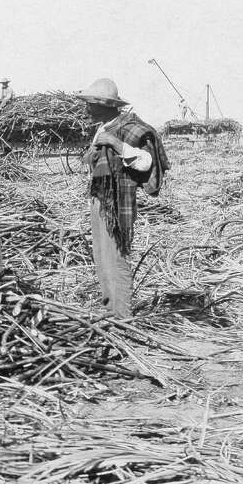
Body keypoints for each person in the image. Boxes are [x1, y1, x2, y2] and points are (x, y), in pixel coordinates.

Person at [75, 78, 169, 319]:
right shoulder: (102, 128)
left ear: (104, 105)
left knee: (116, 258)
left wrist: (116, 143)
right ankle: (110, 310)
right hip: (99, 200)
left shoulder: (128, 127)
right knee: (101, 257)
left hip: (117, 204)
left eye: (90, 105)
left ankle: (123, 317)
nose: (86, 109)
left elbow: (147, 162)